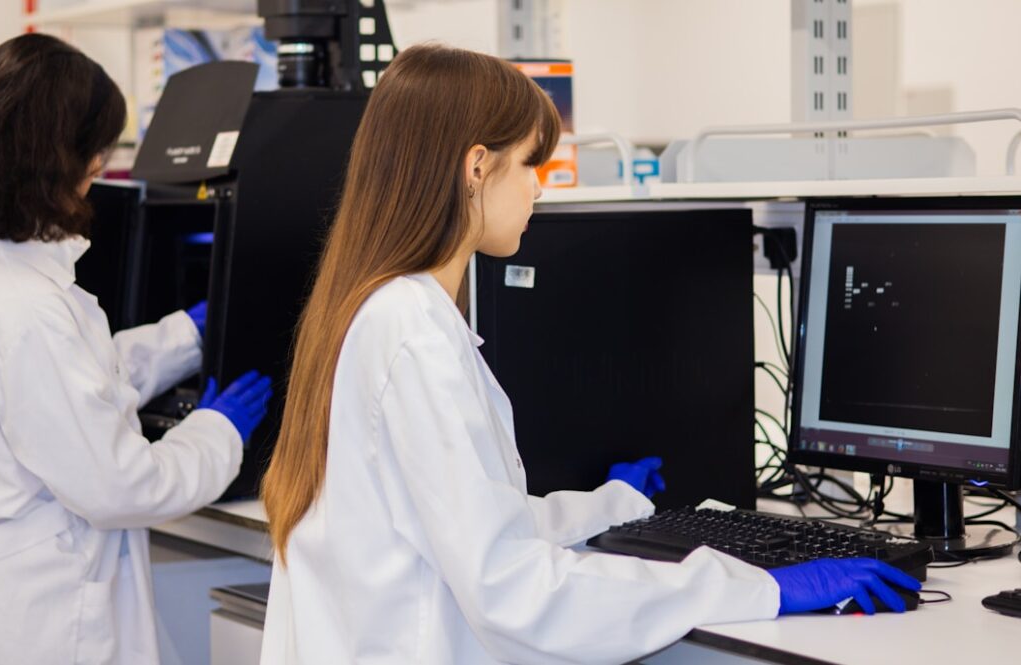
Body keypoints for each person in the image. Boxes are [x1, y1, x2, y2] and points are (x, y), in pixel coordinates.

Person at [259, 44, 920, 664]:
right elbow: (511, 586)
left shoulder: (378, 309)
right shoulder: (412, 331)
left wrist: (611, 504)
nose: (538, 190)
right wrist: (756, 587)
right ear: (477, 166)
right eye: (529, 165)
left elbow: (479, 521)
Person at [0, 33, 271, 664]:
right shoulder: (26, 307)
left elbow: (62, 385)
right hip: (37, 613)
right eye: (93, 148)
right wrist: (216, 434)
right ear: (46, 156)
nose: (101, 165)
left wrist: (186, 335)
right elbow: (121, 485)